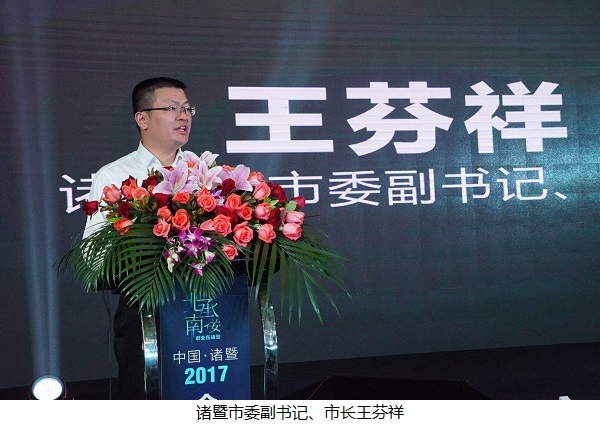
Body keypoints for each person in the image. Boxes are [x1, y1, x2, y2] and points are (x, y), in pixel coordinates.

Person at [83, 77, 195, 399]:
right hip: (145, 315)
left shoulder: (203, 171)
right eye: (171, 108)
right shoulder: (114, 176)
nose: (183, 116)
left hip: (203, 313)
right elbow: (95, 256)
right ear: (142, 119)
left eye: (187, 109)